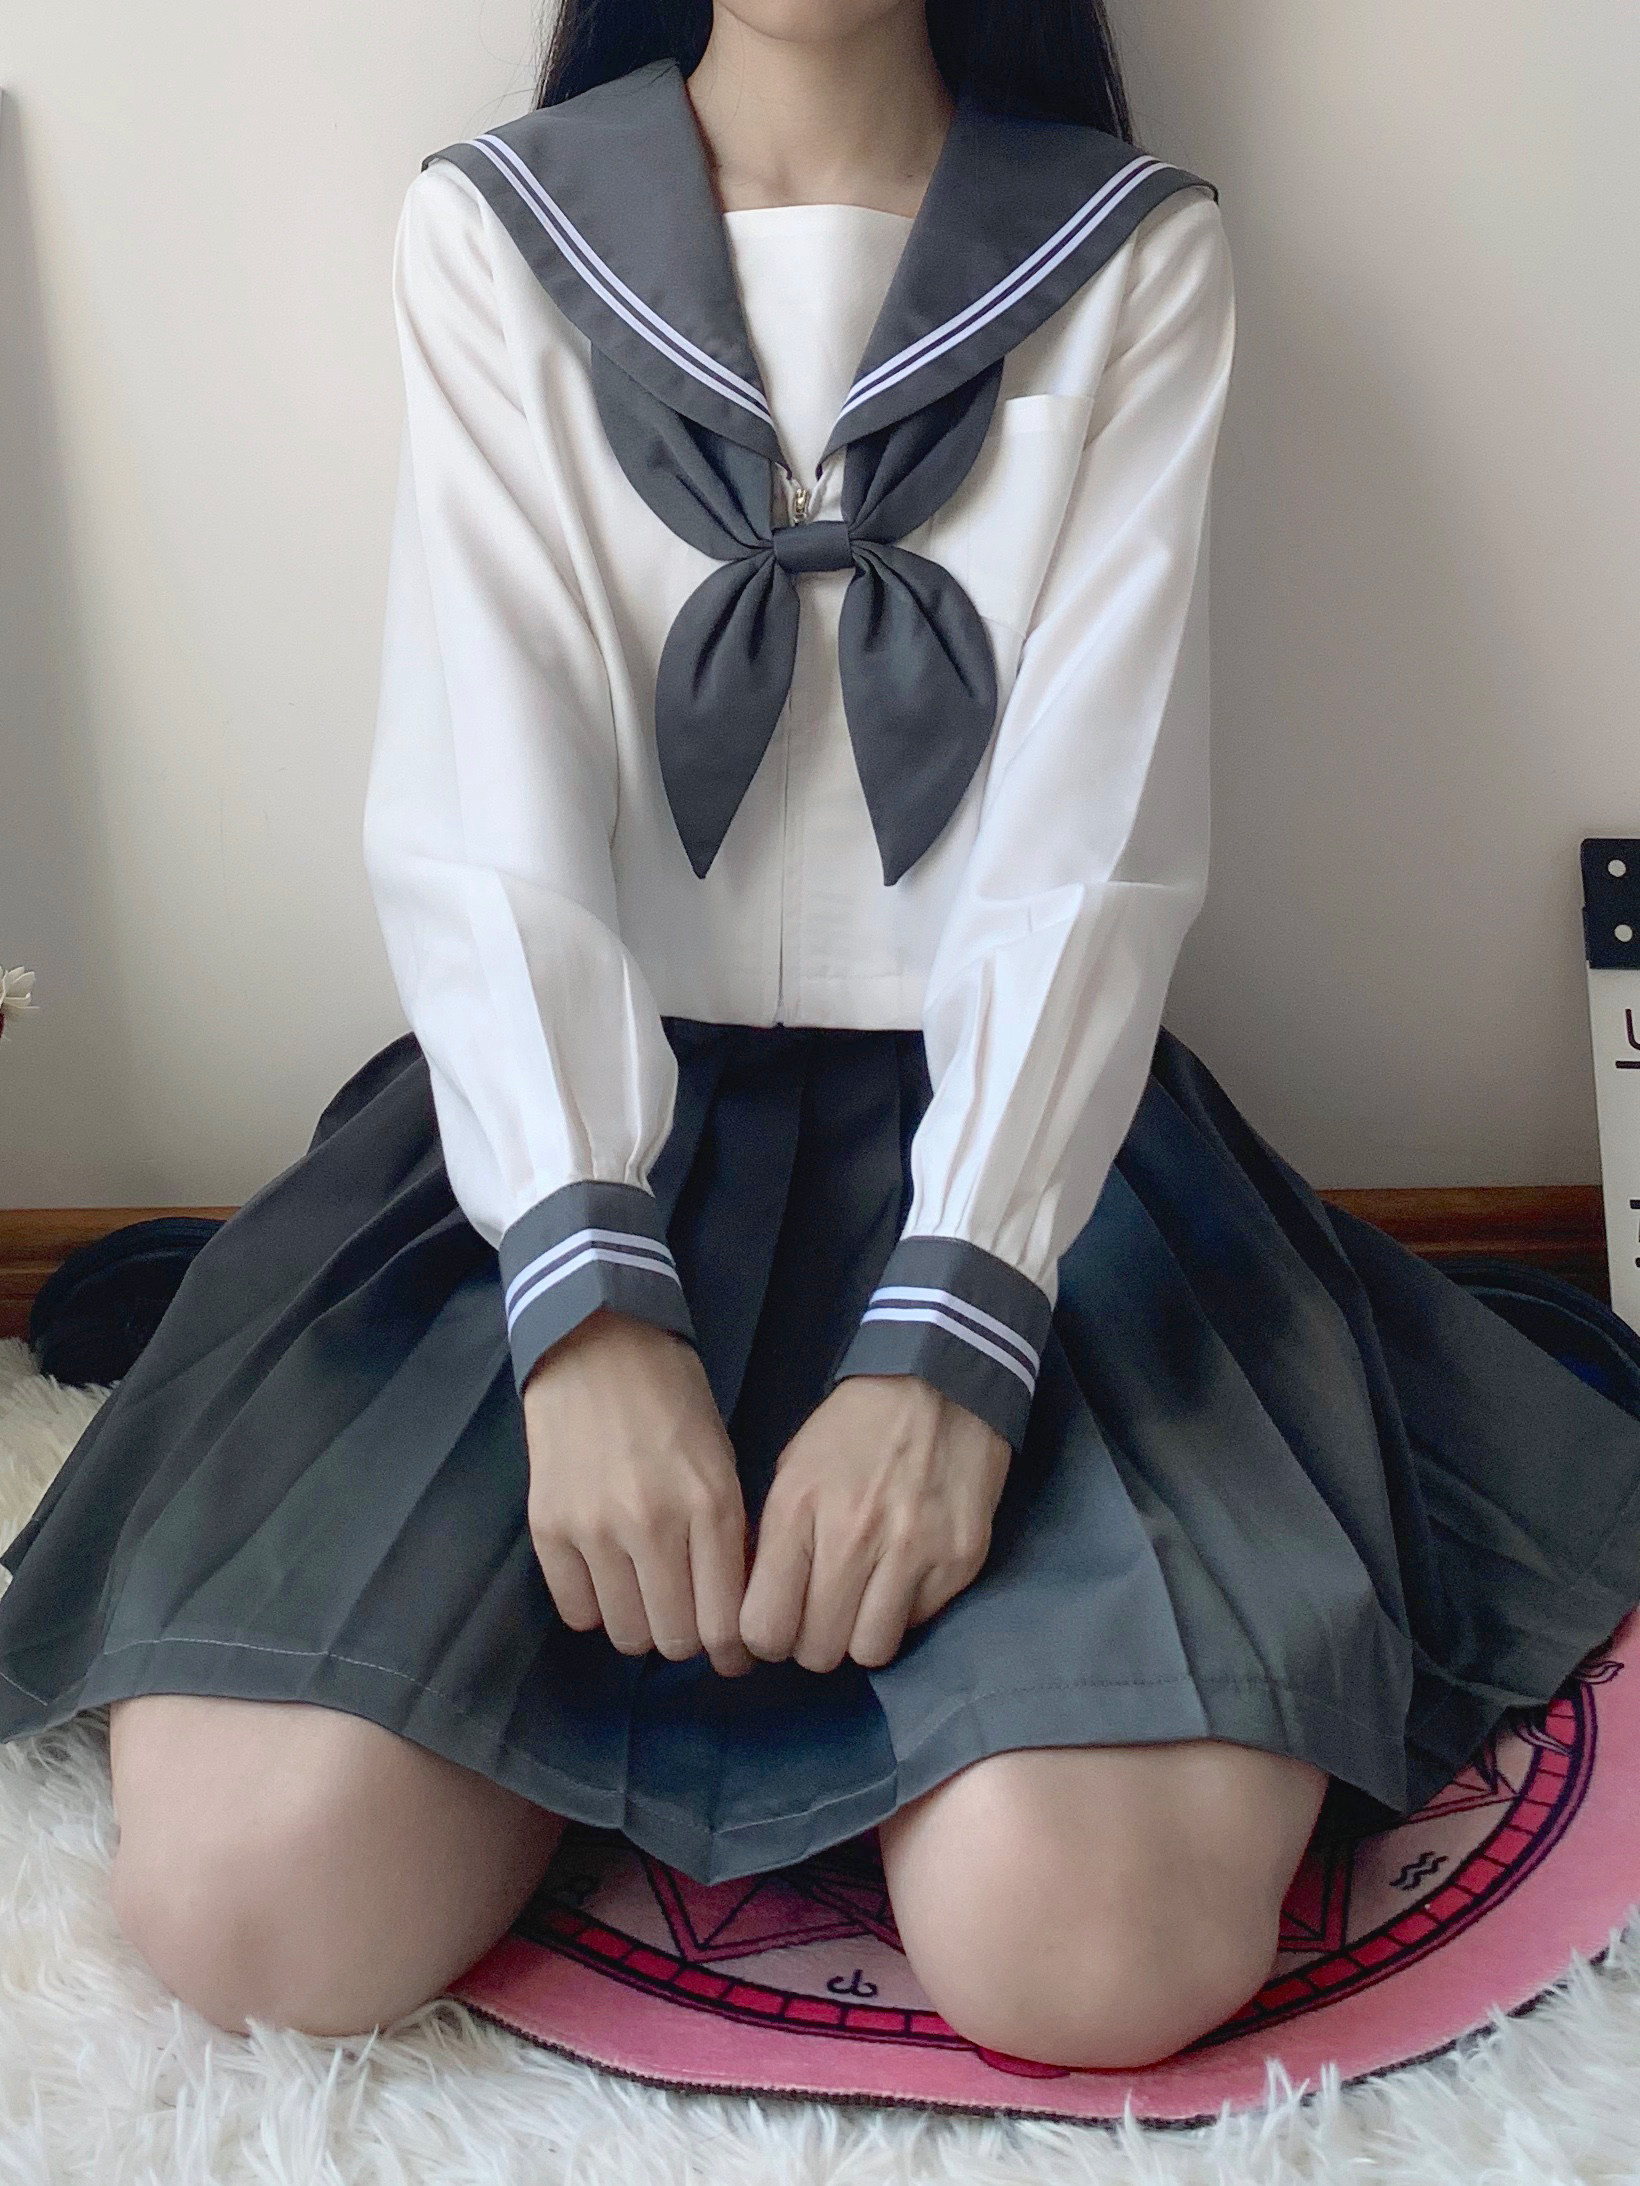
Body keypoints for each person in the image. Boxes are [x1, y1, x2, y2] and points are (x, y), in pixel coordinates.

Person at [3, 0, 1640, 2074]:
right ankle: (601, 1693)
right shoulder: (495, 229)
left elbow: (1093, 853)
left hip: (1022, 1158)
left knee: (1089, 1950)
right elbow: (482, 818)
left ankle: (862, 1717)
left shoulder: (1131, 253)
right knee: (251, 1907)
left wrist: (959, 1329)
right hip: (585, 1124)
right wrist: (584, 1308)